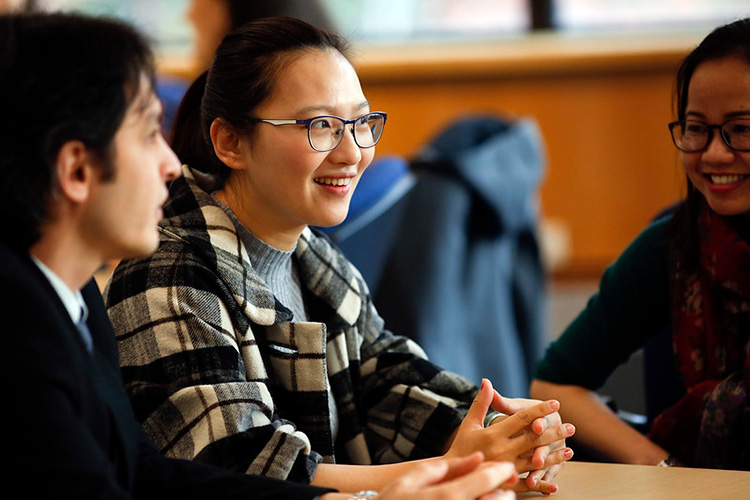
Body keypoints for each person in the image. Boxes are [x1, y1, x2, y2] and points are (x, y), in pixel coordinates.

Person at [0, 11, 527, 499]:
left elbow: (385, 375)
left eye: (360, 122)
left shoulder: (311, 257)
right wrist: (417, 482)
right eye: (145, 135)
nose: (170, 162)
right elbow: (230, 460)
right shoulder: (133, 284)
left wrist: (497, 425)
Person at [531, 18, 750, 471]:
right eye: (696, 128)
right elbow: (554, 385)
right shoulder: (672, 245)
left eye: (741, 129)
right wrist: (663, 467)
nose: (713, 153)